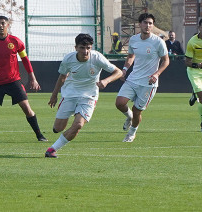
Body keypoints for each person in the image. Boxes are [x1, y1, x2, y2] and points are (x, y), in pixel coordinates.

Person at [45, 33, 123, 158]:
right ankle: (64, 123)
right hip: (70, 94)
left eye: (88, 48)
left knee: (78, 125)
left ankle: (52, 149)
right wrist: (54, 95)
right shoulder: (68, 59)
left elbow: (118, 72)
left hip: (89, 96)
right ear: (76, 48)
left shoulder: (97, 58)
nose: (85, 51)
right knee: (58, 128)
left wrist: (106, 81)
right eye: (82, 48)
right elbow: (62, 77)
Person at [0, 16, 46, 141]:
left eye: (3, 23)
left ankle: (39, 134)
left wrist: (33, 78)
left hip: (13, 81)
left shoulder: (15, 41)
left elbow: (25, 59)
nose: (1, 26)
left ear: (8, 25)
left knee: (26, 108)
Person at [115, 13, 170, 142]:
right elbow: (130, 56)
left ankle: (132, 133)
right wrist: (124, 70)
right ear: (140, 24)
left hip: (148, 83)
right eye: (145, 22)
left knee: (137, 110)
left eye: (150, 23)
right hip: (133, 78)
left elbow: (166, 61)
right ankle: (129, 117)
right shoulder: (134, 39)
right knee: (119, 103)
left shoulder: (158, 42)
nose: (148, 25)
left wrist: (156, 74)